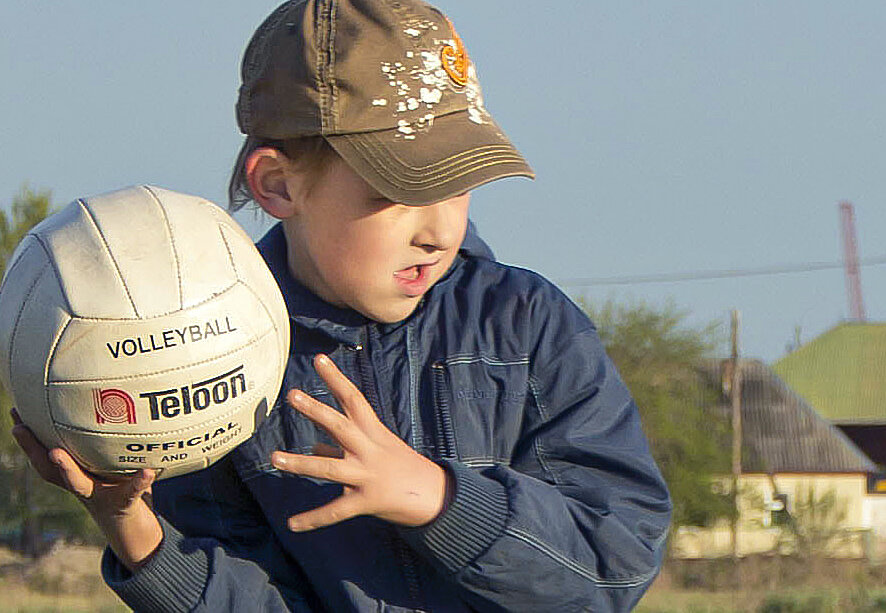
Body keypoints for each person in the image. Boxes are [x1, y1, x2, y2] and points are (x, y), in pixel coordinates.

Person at [12, 0, 671, 610]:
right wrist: (133, 526)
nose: (439, 229)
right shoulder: (211, 360)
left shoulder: (528, 326)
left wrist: (438, 498)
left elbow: (613, 566)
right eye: (400, 191)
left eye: (461, 182)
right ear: (276, 184)